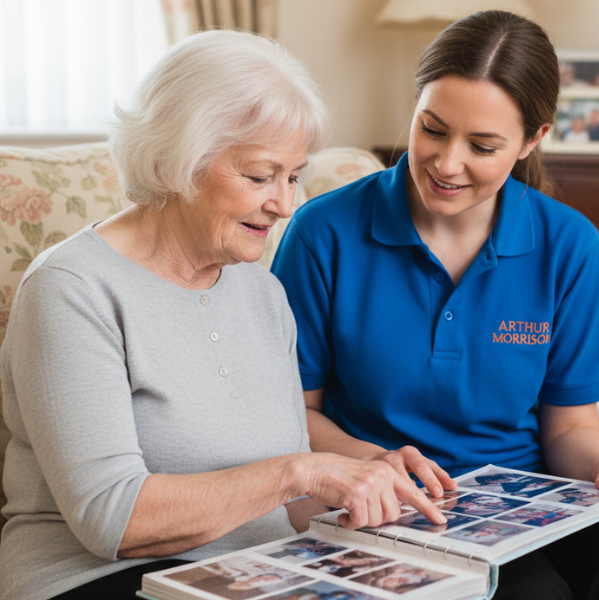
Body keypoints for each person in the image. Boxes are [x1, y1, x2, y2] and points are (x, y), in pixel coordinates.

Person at [0, 30, 446, 600]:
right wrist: (301, 471)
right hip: (102, 580)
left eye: (292, 176)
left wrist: (372, 484)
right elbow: (112, 519)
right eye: (260, 176)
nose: (284, 204)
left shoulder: (262, 294)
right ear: (174, 162)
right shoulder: (72, 289)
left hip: (263, 571)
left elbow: (289, 504)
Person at [272, 10, 599, 600]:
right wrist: (377, 462)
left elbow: (569, 424)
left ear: (532, 140)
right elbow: (293, 413)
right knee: (531, 593)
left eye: (483, 146)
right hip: (387, 501)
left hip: (525, 502)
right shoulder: (323, 233)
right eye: (432, 129)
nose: (446, 163)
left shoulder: (568, 243)